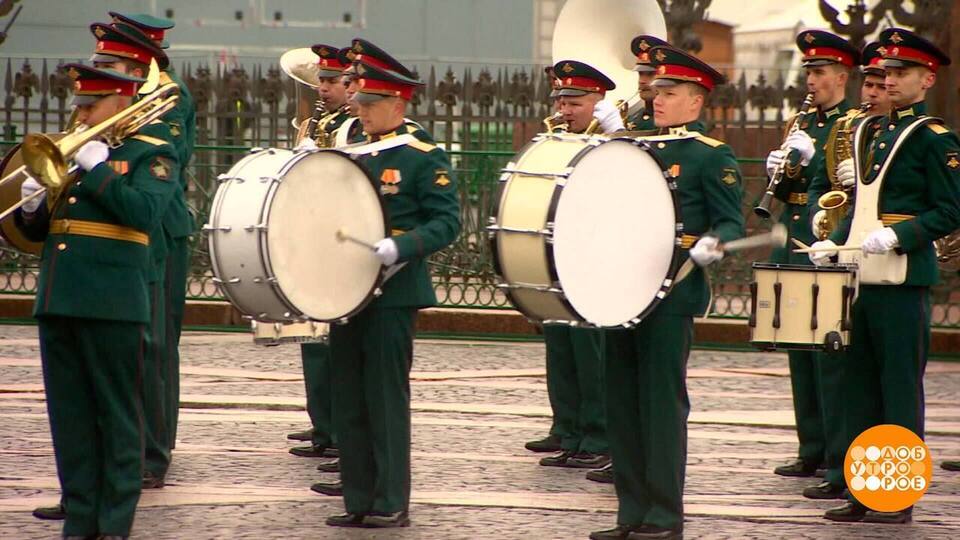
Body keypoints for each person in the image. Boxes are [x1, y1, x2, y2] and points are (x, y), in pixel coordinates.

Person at [16, 63, 180, 540]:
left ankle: (112, 525)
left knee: (117, 417)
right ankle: (81, 519)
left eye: (91, 105)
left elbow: (146, 214)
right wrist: (33, 206)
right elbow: (45, 233)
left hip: (112, 302)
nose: (82, 114)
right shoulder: (74, 151)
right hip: (60, 297)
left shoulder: (153, 153)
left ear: (121, 101)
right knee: (71, 420)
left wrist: (101, 169)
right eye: (80, 106)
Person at [590, 46, 744, 540]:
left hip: (672, 291)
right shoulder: (637, 147)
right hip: (622, 289)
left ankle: (662, 515)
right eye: (656, 92)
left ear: (696, 102)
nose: (657, 101)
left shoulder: (709, 154)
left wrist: (712, 243)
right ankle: (629, 512)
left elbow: (729, 222)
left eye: (670, 93)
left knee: (659, 405)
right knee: (622, 405)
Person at [810, 27, 960, 524]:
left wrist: (904, 236)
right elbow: (861, 203)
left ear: (926, 79)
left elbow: (951, 207)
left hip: (901, 278)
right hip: (860, 273)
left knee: (896, 389)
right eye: (886, 72)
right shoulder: (872, 131)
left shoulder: (934, 138)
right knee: (860, 389)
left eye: (901, 73)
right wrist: (834, 236)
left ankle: (894, 496)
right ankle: (864, 490)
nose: (890, 81)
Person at [323, 43, 460, 529]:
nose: (360, 110)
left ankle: (390, 501)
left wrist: (402, 247)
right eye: (359, 101)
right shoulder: (348, 150)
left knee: (383, 398)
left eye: (370, 103)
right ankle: (358, 498)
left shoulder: (423, 155)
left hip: (393, 291)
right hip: (347, 289)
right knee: (348, 397)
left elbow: (447, 223)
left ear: (398, 105)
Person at [765, 29, 859, 479]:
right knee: (798, 349)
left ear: (841, 76)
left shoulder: (852, 122)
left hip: (828, 241)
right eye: (809, 73)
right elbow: (786, 193)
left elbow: (847, 190)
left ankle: (837, 454)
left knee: (827, 352)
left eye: (819, 73)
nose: (811, 81)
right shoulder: (800, 124)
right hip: (796, 238)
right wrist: (786, 168)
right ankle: (812, 447)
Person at [801, 40, 891, 502]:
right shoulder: (845, 128)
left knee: (891, 388)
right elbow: (820, 185)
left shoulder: (915, 135)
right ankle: (839, 469)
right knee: (840, 374)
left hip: (892, 268)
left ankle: (887, 494)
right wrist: (823, 227)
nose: (874, 91)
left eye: (882, 83)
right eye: (870, 83)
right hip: (842, 258)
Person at [523, 59, 619, 471]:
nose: (565, 110)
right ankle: (567, 427)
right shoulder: (556, 138)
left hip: (594, 258)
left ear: (597, 102)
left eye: (575, 102)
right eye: (561, 101)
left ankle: (597, 435)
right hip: (558, 254)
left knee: (589, 351)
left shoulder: (614, 141)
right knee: (559, 345)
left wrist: (618, 135)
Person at [109, 12, 196, 456]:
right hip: (124, 229)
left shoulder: (168, 96)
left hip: (161, 225)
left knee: (156, 344)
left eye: (112, 64)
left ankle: (154, 447)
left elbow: (172, 155)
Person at [285, 43, 349, 466]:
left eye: (330, 82)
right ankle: (322, 422)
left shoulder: (354, 125)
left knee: (334, 346)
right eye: (320, 81)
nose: (321, 88)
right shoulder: (317, 121)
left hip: (338, 239)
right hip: (312, 235)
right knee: (311, 339)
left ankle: (340, 430)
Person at [624, 35, 667, 133]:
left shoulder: (675, 121)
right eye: (640, 74)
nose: (641, 81)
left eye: (650, 74)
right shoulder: (633, 119)